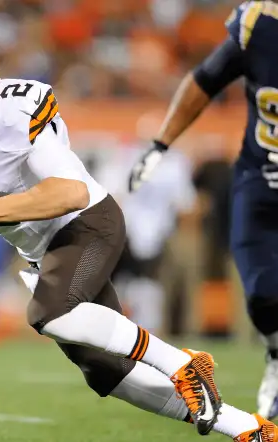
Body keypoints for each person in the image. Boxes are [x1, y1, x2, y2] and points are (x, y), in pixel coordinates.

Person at [0, 23, 276, 442]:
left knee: (49, 313)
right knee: (109, 373)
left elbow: (70, 192)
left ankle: (181, 363)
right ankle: (250, 430)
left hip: (88, 223)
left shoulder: (15, 110)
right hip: (42, 249)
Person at [128, 0, 278, 421]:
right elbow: (205, 79)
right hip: (262, 175)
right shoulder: (260, 25)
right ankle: (276, 356)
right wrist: (161, 143)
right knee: (264, 297)